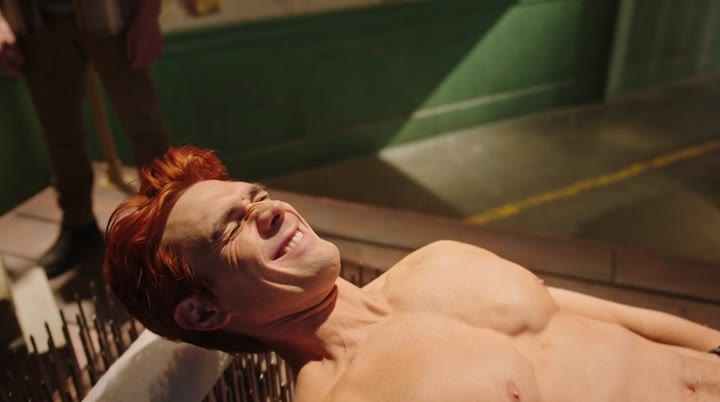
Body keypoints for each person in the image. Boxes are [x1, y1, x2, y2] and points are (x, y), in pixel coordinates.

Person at [104, 146, 720, 402]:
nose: (269, 210)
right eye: (230, 227)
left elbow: (612, 318)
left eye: (257, 195)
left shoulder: (439, 260)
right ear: (205, 310)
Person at [0, 0, 170, 277]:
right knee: (59, 132)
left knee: (144, 125)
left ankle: (167, 224)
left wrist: (148, 15)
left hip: (112, 14)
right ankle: (78, 226)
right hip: (35, 22)